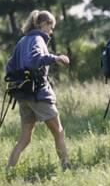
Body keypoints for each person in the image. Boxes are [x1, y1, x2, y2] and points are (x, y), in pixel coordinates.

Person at [5, 10, 71, 170]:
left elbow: (9, 65)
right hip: (38, 95)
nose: (52, 31)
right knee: (59, 132)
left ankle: (8, 170)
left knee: (25, 138)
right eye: (51, 26)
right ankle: (67, 167)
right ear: (44, 24)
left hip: (23, 95)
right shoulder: (37, 39)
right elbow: (34, 60)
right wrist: (55, 58)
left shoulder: (22, 41)